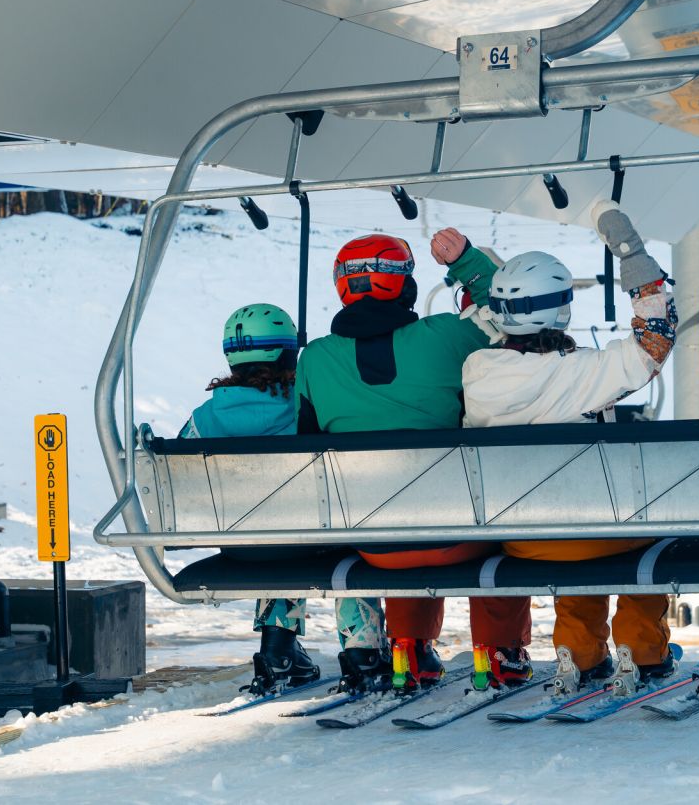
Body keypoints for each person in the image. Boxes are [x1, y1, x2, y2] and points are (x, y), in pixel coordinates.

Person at [295, 231, 533, 693]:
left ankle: (408, 647)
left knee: (390, 506)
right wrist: (465, 260)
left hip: (374, 544)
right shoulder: (447, 336)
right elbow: (506, 314)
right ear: (403, 287)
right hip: (456, 536)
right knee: (495, 524)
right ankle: (499, 651)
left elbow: (307, 441)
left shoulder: (315, 359)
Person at [460, 200, 679, 694]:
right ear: (562, 307)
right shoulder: (584, 374)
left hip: (522, 538)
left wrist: (470, 268)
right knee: (635, 527)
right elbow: (655, 340)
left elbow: (491, 325)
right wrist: (634, 257)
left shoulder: (477, 373)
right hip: (593, 531)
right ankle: (642, 650)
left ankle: (580, 653)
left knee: (568, 523)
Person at [180, 303, 321, 694]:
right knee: (292, 527)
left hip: (239, 543)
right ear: (287, 352)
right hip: (304, 542)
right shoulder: (303, 406)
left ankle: (278, 650)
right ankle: (362, 649)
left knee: (272, 526)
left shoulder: (204, 417)